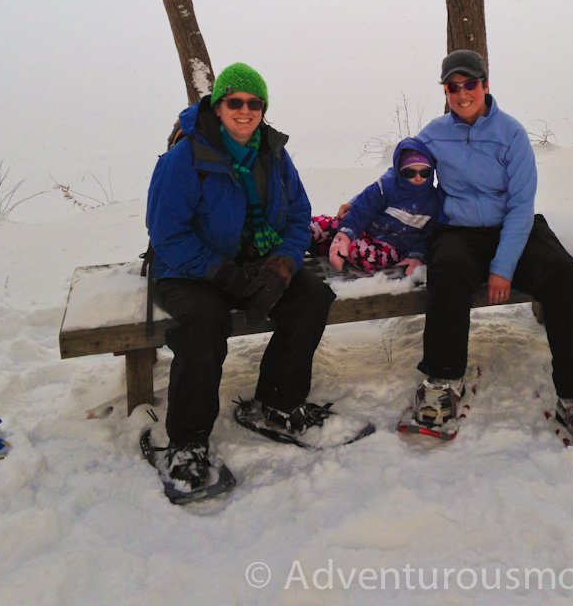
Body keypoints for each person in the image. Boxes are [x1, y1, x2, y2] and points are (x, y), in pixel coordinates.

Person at [411, 49, 573, 445]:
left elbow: (522, 205)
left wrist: (503, 266)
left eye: (469, 84)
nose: (461, 93)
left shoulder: (511, 134)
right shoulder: (435, 134)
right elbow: (404, 171)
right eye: (452, 87)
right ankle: (443, 380)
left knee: (564, 274)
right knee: (449, 272)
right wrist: (361, 204)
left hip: (514, 226)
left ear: (485, 85)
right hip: (458, 230)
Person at [146, 62, 335, 491]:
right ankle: (187, 442)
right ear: (218, 107)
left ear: (263, 109)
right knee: (202, 325)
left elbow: (299, 215)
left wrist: (282, 265)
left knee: (311, 298)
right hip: (189, 270)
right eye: (235, 102)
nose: (245, 111)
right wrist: (221, 272)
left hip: (255, 263)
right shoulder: (186, 157)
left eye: (254, 103)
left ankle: (277, 404)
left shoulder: (274, 152)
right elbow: (167, 234)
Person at [309, 137, 439, 276]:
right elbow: (362, 208)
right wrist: (346, 234)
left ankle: (327, 248)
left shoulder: (432, 201)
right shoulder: (387, 187)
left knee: (364, 255)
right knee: (320, 225)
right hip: (366, 229)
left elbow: (427, 236)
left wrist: (416, 256)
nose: (418, 178)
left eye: (424, 172)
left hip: (393, 246)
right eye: (410, 173)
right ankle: (306, 239)